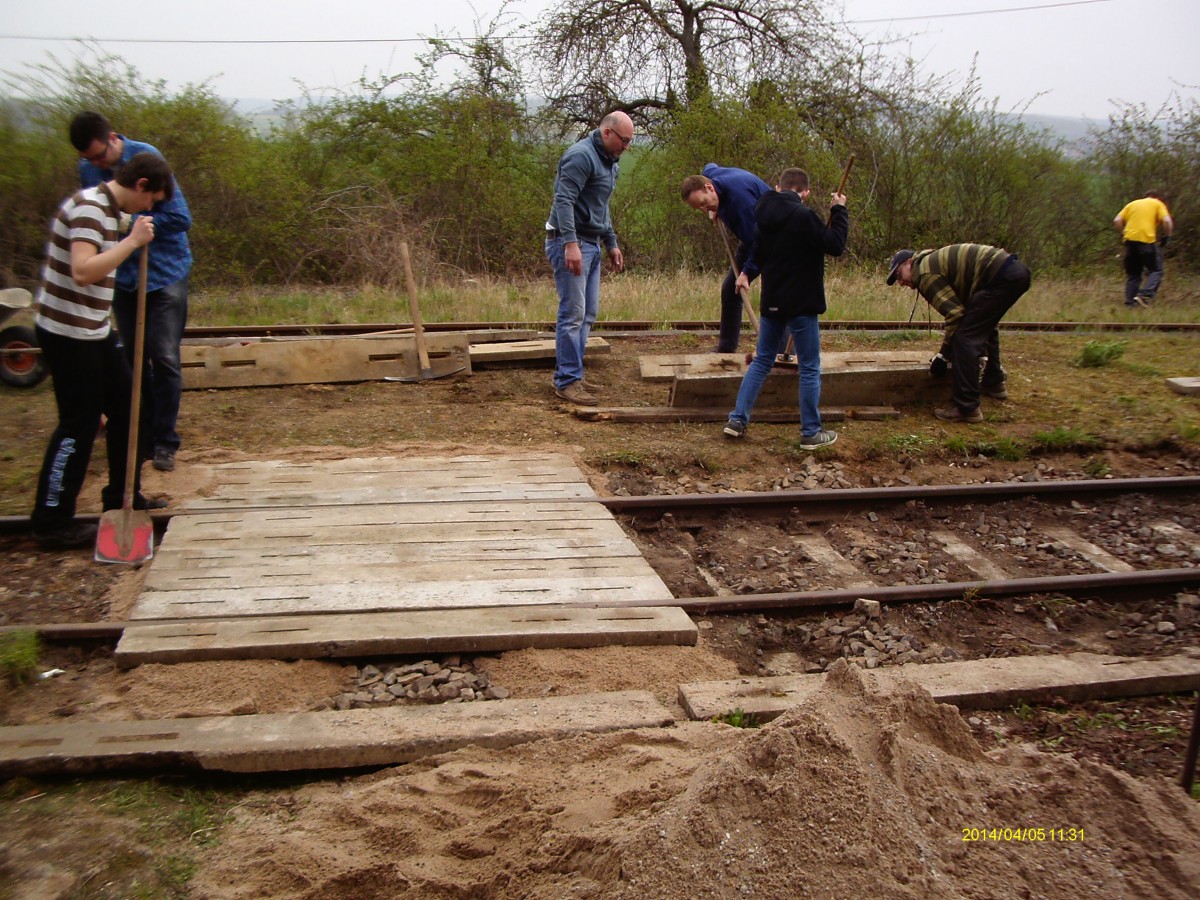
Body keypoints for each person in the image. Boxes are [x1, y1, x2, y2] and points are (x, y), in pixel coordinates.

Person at [30, 153, 172, 548]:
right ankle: (51, 520)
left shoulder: (109, 207)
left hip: (93, 329)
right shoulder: (92, 209)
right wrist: (132, 241)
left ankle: (123, 496)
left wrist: (129, 230)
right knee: (79, 422)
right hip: (67, 332)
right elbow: (83, 270)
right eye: (151, 199)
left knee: (131, 408)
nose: (150, 208)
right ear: (140, 185)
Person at [70, 111, 193, 472]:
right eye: (87, 159)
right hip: (123, 275)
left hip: (165, 272)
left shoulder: (147, 160)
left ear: (112, 138)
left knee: (165, 357)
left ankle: (165, 442)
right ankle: (139, 438)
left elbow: (180, 218)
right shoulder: (88, 171)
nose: (94, 163)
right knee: (133, 361)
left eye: (98, 155)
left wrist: (133, 224)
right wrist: (123, 235)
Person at [723, 168, 848, 449]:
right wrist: (839, 211)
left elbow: (759, 253)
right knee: (809, 367)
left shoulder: (762, 217)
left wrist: (746, 274)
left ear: (778, 187)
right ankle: (811, 432)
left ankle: (737, 420)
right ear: (805, 193)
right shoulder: (803, 216)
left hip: (772, 303)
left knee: (762, 362)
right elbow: (835, 245)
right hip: (802, 304)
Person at [886, 243, 1031, 423]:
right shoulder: (930, 263)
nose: (901, 283)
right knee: (982, 326)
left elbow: (955, 315)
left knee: (965, 339)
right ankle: (994, 383)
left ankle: (967, 408)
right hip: (1013, 272)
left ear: (909, 263)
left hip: (1001, 276)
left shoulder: (924, 272)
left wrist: (943, 355)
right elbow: (964, 311)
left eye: (899, 275)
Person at [545, 111, 633, 406]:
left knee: (588, 313)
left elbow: (601, 207)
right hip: (571, 242)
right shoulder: (580, 156)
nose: (626, 147)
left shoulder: (610, 163)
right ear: (607, 133)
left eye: (630, 142)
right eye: (624, 140)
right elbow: (563, 200)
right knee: (572, 314)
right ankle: (567, 381)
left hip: (592, 243)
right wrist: (570, 243)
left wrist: (612, 243)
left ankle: (573, 375)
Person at [680, 164, 772, 352]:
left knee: (775, 299)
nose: (705, 210)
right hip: (755, 237)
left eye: (704, 203)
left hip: (774, 241)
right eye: (699, 207)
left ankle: (781, 353)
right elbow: (709, 166)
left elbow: (760, 245)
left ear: (709, 188)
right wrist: (715, 209)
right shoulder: (712, 178)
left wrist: (746, 273)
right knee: (731, 290)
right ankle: (726, 347)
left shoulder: (741, 204)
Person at [1113, 191, 1174, 308]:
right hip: (1146, 241)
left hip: (1129, 241)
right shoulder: (1158, 203)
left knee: (1134, 274)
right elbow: (1167, 221)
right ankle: (1144, 295)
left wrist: (1123, 233)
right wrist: (1167, 237)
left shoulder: (1132, 204)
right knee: (1156, 270)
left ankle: (1130, 303)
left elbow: (1117, 220)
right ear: (1157, 198)